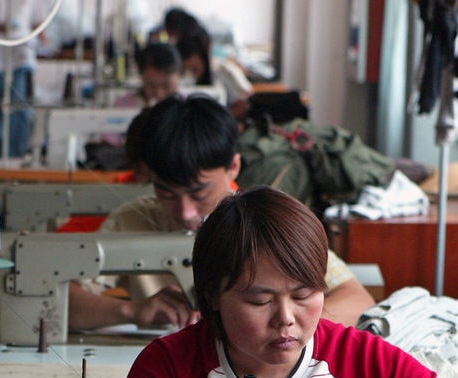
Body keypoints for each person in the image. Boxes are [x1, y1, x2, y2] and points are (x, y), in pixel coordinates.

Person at [101, 187, 458, 378]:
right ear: (211, 296)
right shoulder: (166, 366)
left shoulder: (363, 358)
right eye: (260, 301)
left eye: (304, 295)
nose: (285, 318)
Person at [68, 95, 374, 331]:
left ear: (234, 167)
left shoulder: (266, 220)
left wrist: (285, 326)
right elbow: (61, 299)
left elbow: (357, 299)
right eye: (166, 193)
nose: (185, 212)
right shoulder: (132, 219)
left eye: (199, 193)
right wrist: (132, 311)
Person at [0, 0, 46, 162]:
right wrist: (0, 26)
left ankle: (16, 159)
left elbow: (38, 22)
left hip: (21, 56)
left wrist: (44, 42)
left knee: (20, 109)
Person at [115, 41, 182, 108]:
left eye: (166, 86)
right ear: (141, 77)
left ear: (179, 75)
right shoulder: (123, 107)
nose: (159, 94)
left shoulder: (187, 109)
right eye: (151, 86)